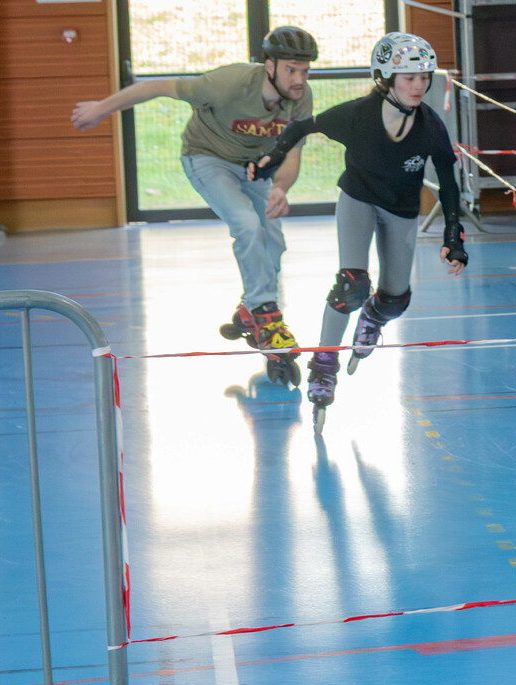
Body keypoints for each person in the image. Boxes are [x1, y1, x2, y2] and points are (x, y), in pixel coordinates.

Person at [71, 26, 318, 385]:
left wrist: (281, 188)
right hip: (207, 158)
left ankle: (250, 308)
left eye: (305, 71)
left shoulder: (301, 99)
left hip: (255, 167)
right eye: (291, 70)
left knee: (273, 240)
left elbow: (293, 152)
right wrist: (100, 109)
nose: (299, 79)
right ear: (270, 66)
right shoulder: (228, 84)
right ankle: (265, 313)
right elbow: (158, 87)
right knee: (247, 224)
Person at [249, 31, 467, 431]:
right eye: (409, 77)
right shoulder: (358, 115)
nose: (419, 85)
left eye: (424, 77)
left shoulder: (430, 126)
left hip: (401, 209)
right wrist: (272, 157)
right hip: (359, 199)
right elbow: (301, 127)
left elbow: (449, 182)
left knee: (395, 300)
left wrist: (453, 235)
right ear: (385, 78)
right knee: (351, 285)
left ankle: (373, 317)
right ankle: (323, 365)